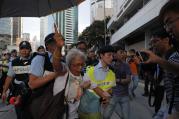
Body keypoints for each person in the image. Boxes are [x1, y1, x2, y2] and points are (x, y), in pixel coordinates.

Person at [142, 1, 179, 118]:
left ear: (166, 40)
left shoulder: (174, 56)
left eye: (169, 22)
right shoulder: (162, 58)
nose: (168, 29)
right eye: (165, 25)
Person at [51, 29, 91, 119]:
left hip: (75, 114)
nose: (80, 67)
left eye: (82, 64)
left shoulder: (83, 74)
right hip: (61, 114)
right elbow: (56, 64)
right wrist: (58, 47)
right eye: (76, 65)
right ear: (69, 63)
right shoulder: (64, 71)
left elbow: (92, 85)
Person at [78, 45, 116, 119]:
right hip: (85, 109)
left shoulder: (112, 73)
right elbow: (83, 86)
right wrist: (102, 93)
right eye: (109, 55)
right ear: (101, 55)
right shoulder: (90, 69)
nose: (112, 57)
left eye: (113, 55)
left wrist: (107, 96)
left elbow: (111, 89)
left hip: (98, 109)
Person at [1, 41, 32, 119]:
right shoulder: (13, 62)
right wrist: (4, 91)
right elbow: (9, 78)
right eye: (22, 48)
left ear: (30, 50)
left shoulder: (35, 61)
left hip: (32, 90)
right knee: (20, 113)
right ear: (19, 50)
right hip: (18, 91)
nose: (24, 51)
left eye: (26, 48)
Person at [103, 48, 131, 119]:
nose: (123, 54)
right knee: (106, 116)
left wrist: (116, 80)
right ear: (114, 54)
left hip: (125, 95)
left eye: (123, 52)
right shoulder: (110, 65)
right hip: (113, 95)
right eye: (120, 52)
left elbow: (128, 80)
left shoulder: (126, 65)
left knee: (125, 117)